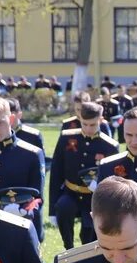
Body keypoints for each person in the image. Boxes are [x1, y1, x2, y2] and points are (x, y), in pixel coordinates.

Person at [49, 100, 119, 249]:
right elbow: (56, 171)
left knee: (88, 235)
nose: (88, 129)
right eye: (84, 124)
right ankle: (68, 248)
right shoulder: (66, 137)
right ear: (80, 119)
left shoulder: (109, 146)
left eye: (93, 125)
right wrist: (51, 210)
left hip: (94, 198)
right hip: (71, 192)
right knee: (63, 207)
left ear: (100, 120)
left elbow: (115, 180)